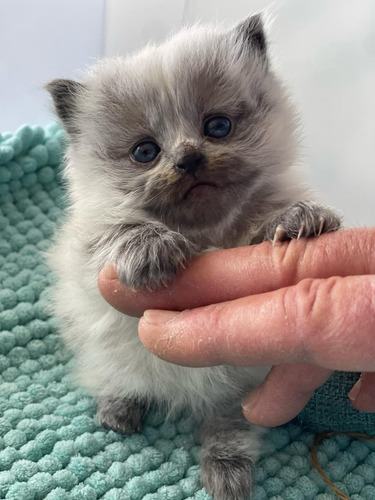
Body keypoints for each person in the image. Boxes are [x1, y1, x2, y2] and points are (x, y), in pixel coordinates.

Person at [98, 227, 375, 427]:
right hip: (135, 361)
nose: (187, 155)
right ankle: (122, 389)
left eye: (217, 139)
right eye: (145, 153)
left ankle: (226, 427)